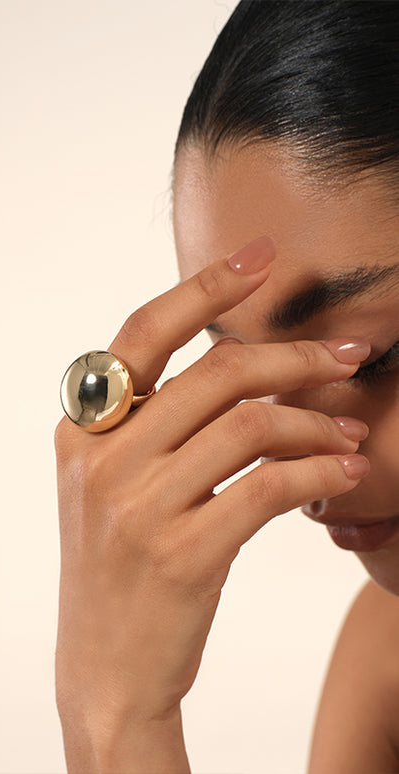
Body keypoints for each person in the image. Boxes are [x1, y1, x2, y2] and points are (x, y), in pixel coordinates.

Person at [53, 1, 399, 771]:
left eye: (374, 357)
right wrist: (117, 711)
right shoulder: (385, 661)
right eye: (246, 375)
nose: (289, 466)